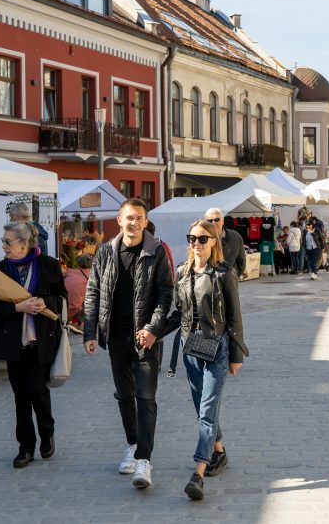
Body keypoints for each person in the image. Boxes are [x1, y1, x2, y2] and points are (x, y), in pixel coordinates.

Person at [151, 219, 248, 501]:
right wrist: (153, 333)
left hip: (216, 346)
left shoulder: (223, 273)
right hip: (189, 346)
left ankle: (198, 472)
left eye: (203, 239)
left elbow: (235, 317)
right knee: (202, 408)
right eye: (192, 238)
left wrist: (236, 354)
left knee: (207, 409)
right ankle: (219, 451)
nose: (197, 243)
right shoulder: (181, 272)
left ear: (214, 242)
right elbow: (176, 315)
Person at [83, 198, 174, 490]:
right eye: (128, 218)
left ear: (145, 222)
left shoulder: (156, 251)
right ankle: (133, 445)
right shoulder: (105, 252)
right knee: (124, 395)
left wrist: (153, 329)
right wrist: (89, 331)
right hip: (115, 335)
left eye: (138, 218)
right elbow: (93, 291)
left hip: (145, 336)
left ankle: (144, 460)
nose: (133, 223)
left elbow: (164, 294)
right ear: (119, 221)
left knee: (145, 396)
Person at [0, 221, 66, 468]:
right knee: (21, 396)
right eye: (3, 241)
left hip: (42, 341)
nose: (4, 246)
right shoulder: (0, 269)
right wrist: (17, 307)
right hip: (14, 344)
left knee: (38, 391)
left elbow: (62, 298)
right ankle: (25, 447)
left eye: (7, 242)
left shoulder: (49, 266)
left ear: (24, 244)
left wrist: (46, 303)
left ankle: (47, 432)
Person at [204, 207, 246, 278]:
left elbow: (241, 259)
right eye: (210, 221)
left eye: (217, 219)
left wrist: (234, 277)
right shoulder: (201, 238)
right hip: (208, 281)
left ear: (222, 221)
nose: (213, 223)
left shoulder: (235, 236)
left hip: (229, 280)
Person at [62, 254, 92, 333]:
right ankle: (82, 324)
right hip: (75, 309)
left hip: (61, 306)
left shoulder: (69, 272)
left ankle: (73, 322)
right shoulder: (91, 277)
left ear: (78, 263)